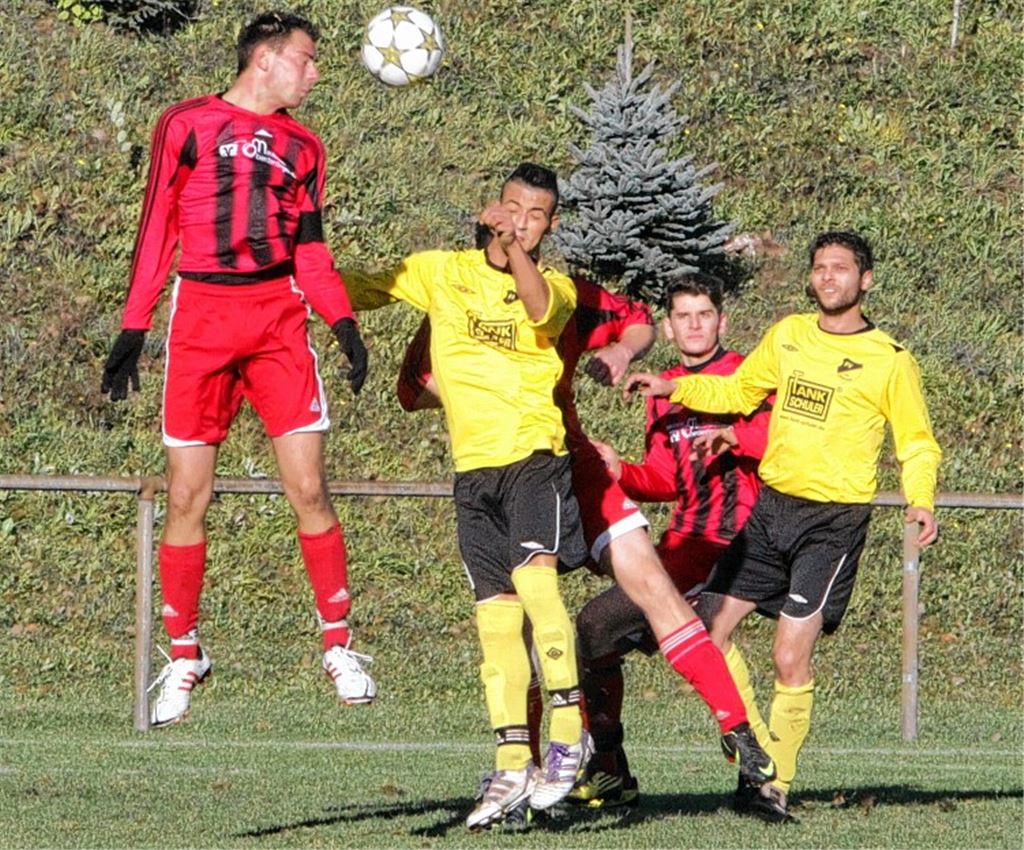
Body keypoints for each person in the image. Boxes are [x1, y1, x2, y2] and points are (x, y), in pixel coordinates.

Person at [390, 267, 778, 814]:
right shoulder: (455, 304)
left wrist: (621, 352)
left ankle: (739, 735)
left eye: (533, 222)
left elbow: (636, 321)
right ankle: (539, 766)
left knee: (650, 586)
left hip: (573, 465)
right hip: (506, 476)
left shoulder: (562, 296)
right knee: (532, 622)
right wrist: (466, 395)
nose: (518, 238)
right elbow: (412, 389)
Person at [100, 11, 375, 727]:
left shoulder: (306, 147)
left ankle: (339, 646)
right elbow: (158, 225)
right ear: (266, 59)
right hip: (201, 320)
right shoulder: (185, 125)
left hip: (278, 316)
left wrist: (342, 321)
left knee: (309, 487)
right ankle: (184, 652)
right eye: (307, 60)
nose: (315, 73)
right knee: (188, 496)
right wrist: (135, 325)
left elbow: (310, 249)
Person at [624, 231, 942, 822]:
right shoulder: (789, 334)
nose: (827, 277)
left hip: (833, 522)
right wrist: (675, 385)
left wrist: (919, 500)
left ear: (864, 280)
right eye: (820, 267)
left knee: (789, 656)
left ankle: (775, 783)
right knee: (706, 632)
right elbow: (741, 390)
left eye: (840, 269)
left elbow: (917, 441)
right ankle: (756, 755)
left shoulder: (891, 360)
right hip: (770, 511)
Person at [343, 163, 592, 829]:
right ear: (490, 208)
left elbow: (540, 309)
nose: (519, 221)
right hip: (474, 472)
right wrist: (283, 268)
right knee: (495, 619)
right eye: (510, 208)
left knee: (540, 591)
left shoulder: (555, 286)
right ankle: (513, 761)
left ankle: (569, 733)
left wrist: (515, 253)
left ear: (550, 226)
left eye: (534, 215)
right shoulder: (440, 271)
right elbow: (359, 289)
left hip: (534, 458)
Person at [576, 273, 771, 808]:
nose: (693, 325)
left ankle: (758, 777)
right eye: (682, 316)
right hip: (682, 548)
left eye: (703, 314)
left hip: (738, 546)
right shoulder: (660, 390)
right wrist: (620, 470)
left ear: (721, 321)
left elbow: (780, 442)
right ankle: (610, 769)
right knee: (594, 628)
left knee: (712, 632)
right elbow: (665, 479)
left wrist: (738, 437)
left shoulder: (747, 378)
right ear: (667, 325)